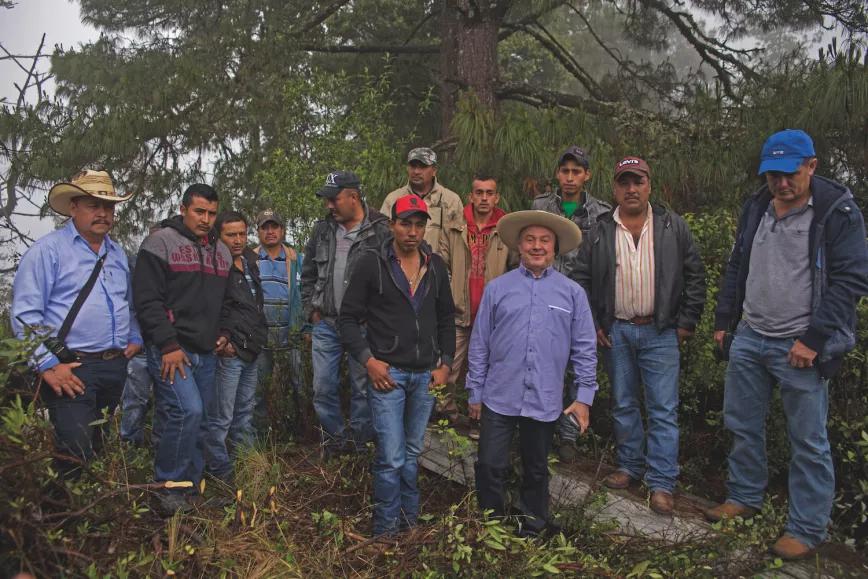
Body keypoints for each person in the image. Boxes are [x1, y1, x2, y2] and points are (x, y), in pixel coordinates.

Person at [706, 129, 868, 559]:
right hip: (750, 336)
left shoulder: (837, 211)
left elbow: (852, 279)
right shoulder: (757, 206)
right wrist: (725, 321)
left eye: (790, 173)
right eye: (772, 174)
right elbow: (738, 263)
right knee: (741, 424)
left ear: (811, 165)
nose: (781, 183)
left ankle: (807, 528)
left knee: (808, 441)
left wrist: (814, 340)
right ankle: (743, 497)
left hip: (800, 347)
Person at [572, 157, 706, 515]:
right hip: (617, 330)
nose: (631, 189)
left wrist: (685, 324)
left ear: (649, 185)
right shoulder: (600, 229)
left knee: (663, 409)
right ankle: (630, 466)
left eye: (638, 182)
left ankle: (661, 482)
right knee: (624, 403)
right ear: (614, 189)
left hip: (660, 331)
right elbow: (582, 278)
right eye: (624, 183)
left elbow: (695, 276)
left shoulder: (671, 226)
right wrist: (594, 323)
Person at [468, 209, 598, 536]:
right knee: (490, 465)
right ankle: (491, 524)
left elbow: (585, 349)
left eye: (544, 240)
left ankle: (533, 526)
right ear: (519, 246)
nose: (537, 246)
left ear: (554, 248)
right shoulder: (498, 289)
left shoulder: (573, 294)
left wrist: (583, 399)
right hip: (499, 396)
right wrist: (475, 391)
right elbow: (480, 342)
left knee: (537, 469)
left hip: (545, 397)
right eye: (530, 240)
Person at [339, 193, 455, 536]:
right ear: (392, 225)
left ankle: (410, 525)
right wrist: (368, 361)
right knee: (391, 456)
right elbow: (347, 320)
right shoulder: (372, 263)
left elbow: (447, 318)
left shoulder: (435, 266)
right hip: (388, 375)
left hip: (425, 377)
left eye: (420, 224)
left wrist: (445, 363)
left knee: (412, 452)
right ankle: (385, 531)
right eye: (406, 223)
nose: (413, 231)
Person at [12, 169, 140, 475]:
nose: (102, 214)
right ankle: (65, 518)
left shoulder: (118, 253)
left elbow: (129, 303)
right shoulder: (49, 251)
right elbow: (24, 314)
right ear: (73, 208)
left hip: (114, 366)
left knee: (98, 444)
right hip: (71, 366)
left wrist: (135, 337)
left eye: (108, 207)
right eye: (93, 205)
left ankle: (93, 515)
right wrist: (48, 364)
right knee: (74, 449)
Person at [134, 183, 232, 515]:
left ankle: (190, 491)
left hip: (205, 351)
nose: (206, 219)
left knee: (198, 420)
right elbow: (147, 301)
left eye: (212, 213)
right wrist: (167, 344)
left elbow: (227, 301)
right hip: (171, 351)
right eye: (199, 211)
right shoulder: (160, 242)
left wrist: (225, 331)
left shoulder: (222, 251)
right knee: (185, 411)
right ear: (183, 209)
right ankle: (167, 489)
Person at [301, 171, 391, 456]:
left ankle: (361, 447)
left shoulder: (381, 229)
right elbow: (308, 275)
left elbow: (391, 277)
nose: (329, 205)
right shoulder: (322, 230)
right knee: (323, 388)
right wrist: (310, 311)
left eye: (334, 198)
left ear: (353, 196)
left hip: (364, 327)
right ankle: (337, 444)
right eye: (326, 199)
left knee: (363, 389)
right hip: (326, 323)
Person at [532, 146, 611, 462]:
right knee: (544, 364)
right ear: (557, 174)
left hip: (580, 301)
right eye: (564, 171)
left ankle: (568, 437)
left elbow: (604, 264)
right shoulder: (541, 206)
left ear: (587, 175)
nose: (569, 177)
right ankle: (540, 428)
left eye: (576, 171)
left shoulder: (601, 214)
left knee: (578, 368)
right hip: (542, 296)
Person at [438, 173, 515, 427]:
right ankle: (444, 417)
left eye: (489, 193)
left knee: (489, 371)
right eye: (479, 193)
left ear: (496, 197)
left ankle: (481, 421)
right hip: (459, 312)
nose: (484, 198)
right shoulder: (453, 225)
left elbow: (516, 271)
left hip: (493, 317)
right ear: (470, 196)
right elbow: (441, 265)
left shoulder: (506, 228)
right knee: (447, 370)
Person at [203, 211, 267, 483]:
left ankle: (248, 465)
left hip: (250, 347)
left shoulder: (250, 261)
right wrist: (222, 338)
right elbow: (210, 306)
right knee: (221, 417)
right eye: (231, 234)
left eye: (242, 233)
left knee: (245, 411)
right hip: (229, 351)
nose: (238, 239)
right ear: (219, 235)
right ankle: (220, 472)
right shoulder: (214, 264)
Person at [254, 209, 306, 432]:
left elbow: (306, 293)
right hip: (260, 338)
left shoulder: (297, 259)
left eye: (274, 226)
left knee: (300, 386)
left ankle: (302, 430)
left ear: (282, 230)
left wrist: (306, 328)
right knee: (258, 389)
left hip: (292, 335)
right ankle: (262, 435)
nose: (270, 231)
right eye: (265, 227)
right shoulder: (251, 259)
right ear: (258, 231)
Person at [380, 147, 462, 252]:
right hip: (400, 265)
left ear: (434, 170)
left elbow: (459, 244)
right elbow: (382, 238)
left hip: (439, 266)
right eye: (413, 166)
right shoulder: (393, 199)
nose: (416, 171)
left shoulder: (452, 201)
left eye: (422, 167)